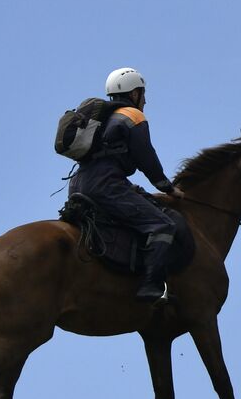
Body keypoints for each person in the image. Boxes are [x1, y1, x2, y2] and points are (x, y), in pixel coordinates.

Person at [68, 67, 184, 303]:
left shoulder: (102, 117)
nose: (145, 100)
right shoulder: (133, 116)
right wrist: (168, 188)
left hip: (78, 183)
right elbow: (146, 158)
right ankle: (150, 286)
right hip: (106, 184)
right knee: (162, 225)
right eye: (142, 93)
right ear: (134, 94)